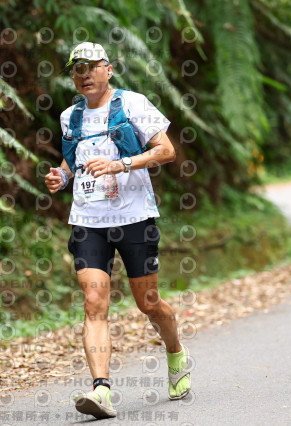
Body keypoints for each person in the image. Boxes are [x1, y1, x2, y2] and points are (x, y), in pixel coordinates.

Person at [44, 42, 192, 419]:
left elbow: (166, 151)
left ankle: (176, 352)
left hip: (134, 217)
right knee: (94, 303)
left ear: (108, 70)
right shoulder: (69, 117)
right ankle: (101, 391)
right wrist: (61, 175)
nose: (83, 75)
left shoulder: (133, 104)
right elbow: (73, 159)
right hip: (88, 221)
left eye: (91, 67)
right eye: (76, 70)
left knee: (148, 303)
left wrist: (121, 164)